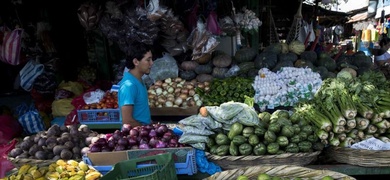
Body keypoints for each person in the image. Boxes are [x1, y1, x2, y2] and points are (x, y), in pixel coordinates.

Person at [118, 41, 153, 127]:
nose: (152, 63)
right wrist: (147, 129)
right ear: (136, 62)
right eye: (148, 60)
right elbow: (127, 121)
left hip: (143, 134)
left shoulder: (139, 80)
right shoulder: (128, 86)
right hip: (135, 137)